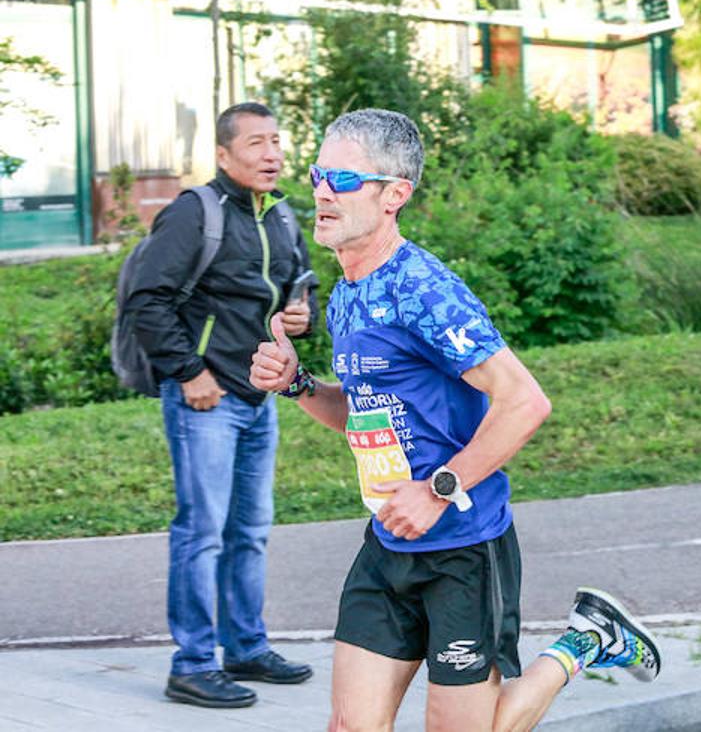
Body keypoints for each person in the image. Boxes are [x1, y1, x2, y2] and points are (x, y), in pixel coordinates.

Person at [249, 108, 660, 732]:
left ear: (395, 196)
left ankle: (585, 642)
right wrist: (299, 384)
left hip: (463, 549)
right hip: (390, 540)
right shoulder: (350, 290)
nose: (322, 191)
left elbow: (525, 402)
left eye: (342, 177)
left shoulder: (424, 291)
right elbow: (367, 414)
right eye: (316, 173)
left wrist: (439, 490)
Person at [126, 102, 317, 708]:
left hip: (258, 397)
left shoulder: (281, 214)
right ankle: (191, 663)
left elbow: (298, 284)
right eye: (257, 143)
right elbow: (146, 300)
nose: (272, 154)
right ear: (224, 154)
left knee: (250, 531)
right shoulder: (195, 213)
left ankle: (246, 648)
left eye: (277, 141)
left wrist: (301, 315)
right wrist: (188, 372)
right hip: (204, 399)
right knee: (202, 531)